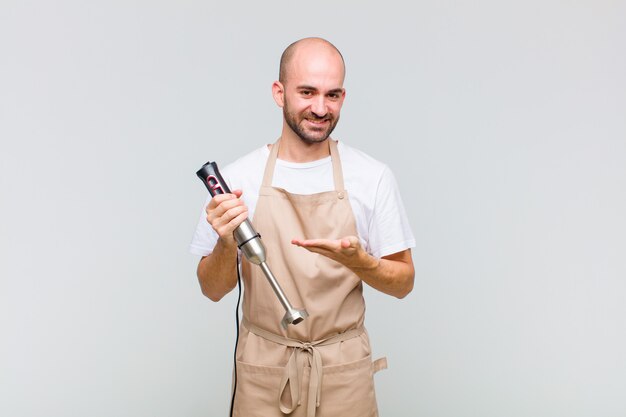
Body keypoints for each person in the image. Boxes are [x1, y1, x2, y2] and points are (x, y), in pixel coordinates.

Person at [190, 37, 415, 417]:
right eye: (307, 92)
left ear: (344, 96)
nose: (320, 108)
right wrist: (228, 243)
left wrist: (361, 262)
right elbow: (212, 290)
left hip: (343, 373)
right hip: (265, 373)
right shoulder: (236, 180)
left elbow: (404, 283)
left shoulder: (371, 177)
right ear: (279, 93)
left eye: (333, 95)